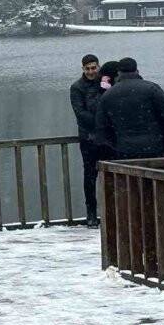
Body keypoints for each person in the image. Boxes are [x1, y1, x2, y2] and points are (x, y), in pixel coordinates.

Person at [94, 57, 164, 159]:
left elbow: (101, 126)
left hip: (124, 150)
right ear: (137, 71)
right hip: (154, 147)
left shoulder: (108, 95)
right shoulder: (151, 88)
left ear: (119, 73)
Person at [70, 54, 106, 227]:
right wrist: (100, 122)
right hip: (88, 137)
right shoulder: (77, 87)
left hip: (107, 138)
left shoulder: (106, 83)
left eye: (94, 68)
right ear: (83, 69)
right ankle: (91, 213)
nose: (91, 71)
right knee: (90, 176)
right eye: (88, 68)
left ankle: (110, 211)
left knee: (110, 174)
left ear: (98, 66)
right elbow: (80, 113)